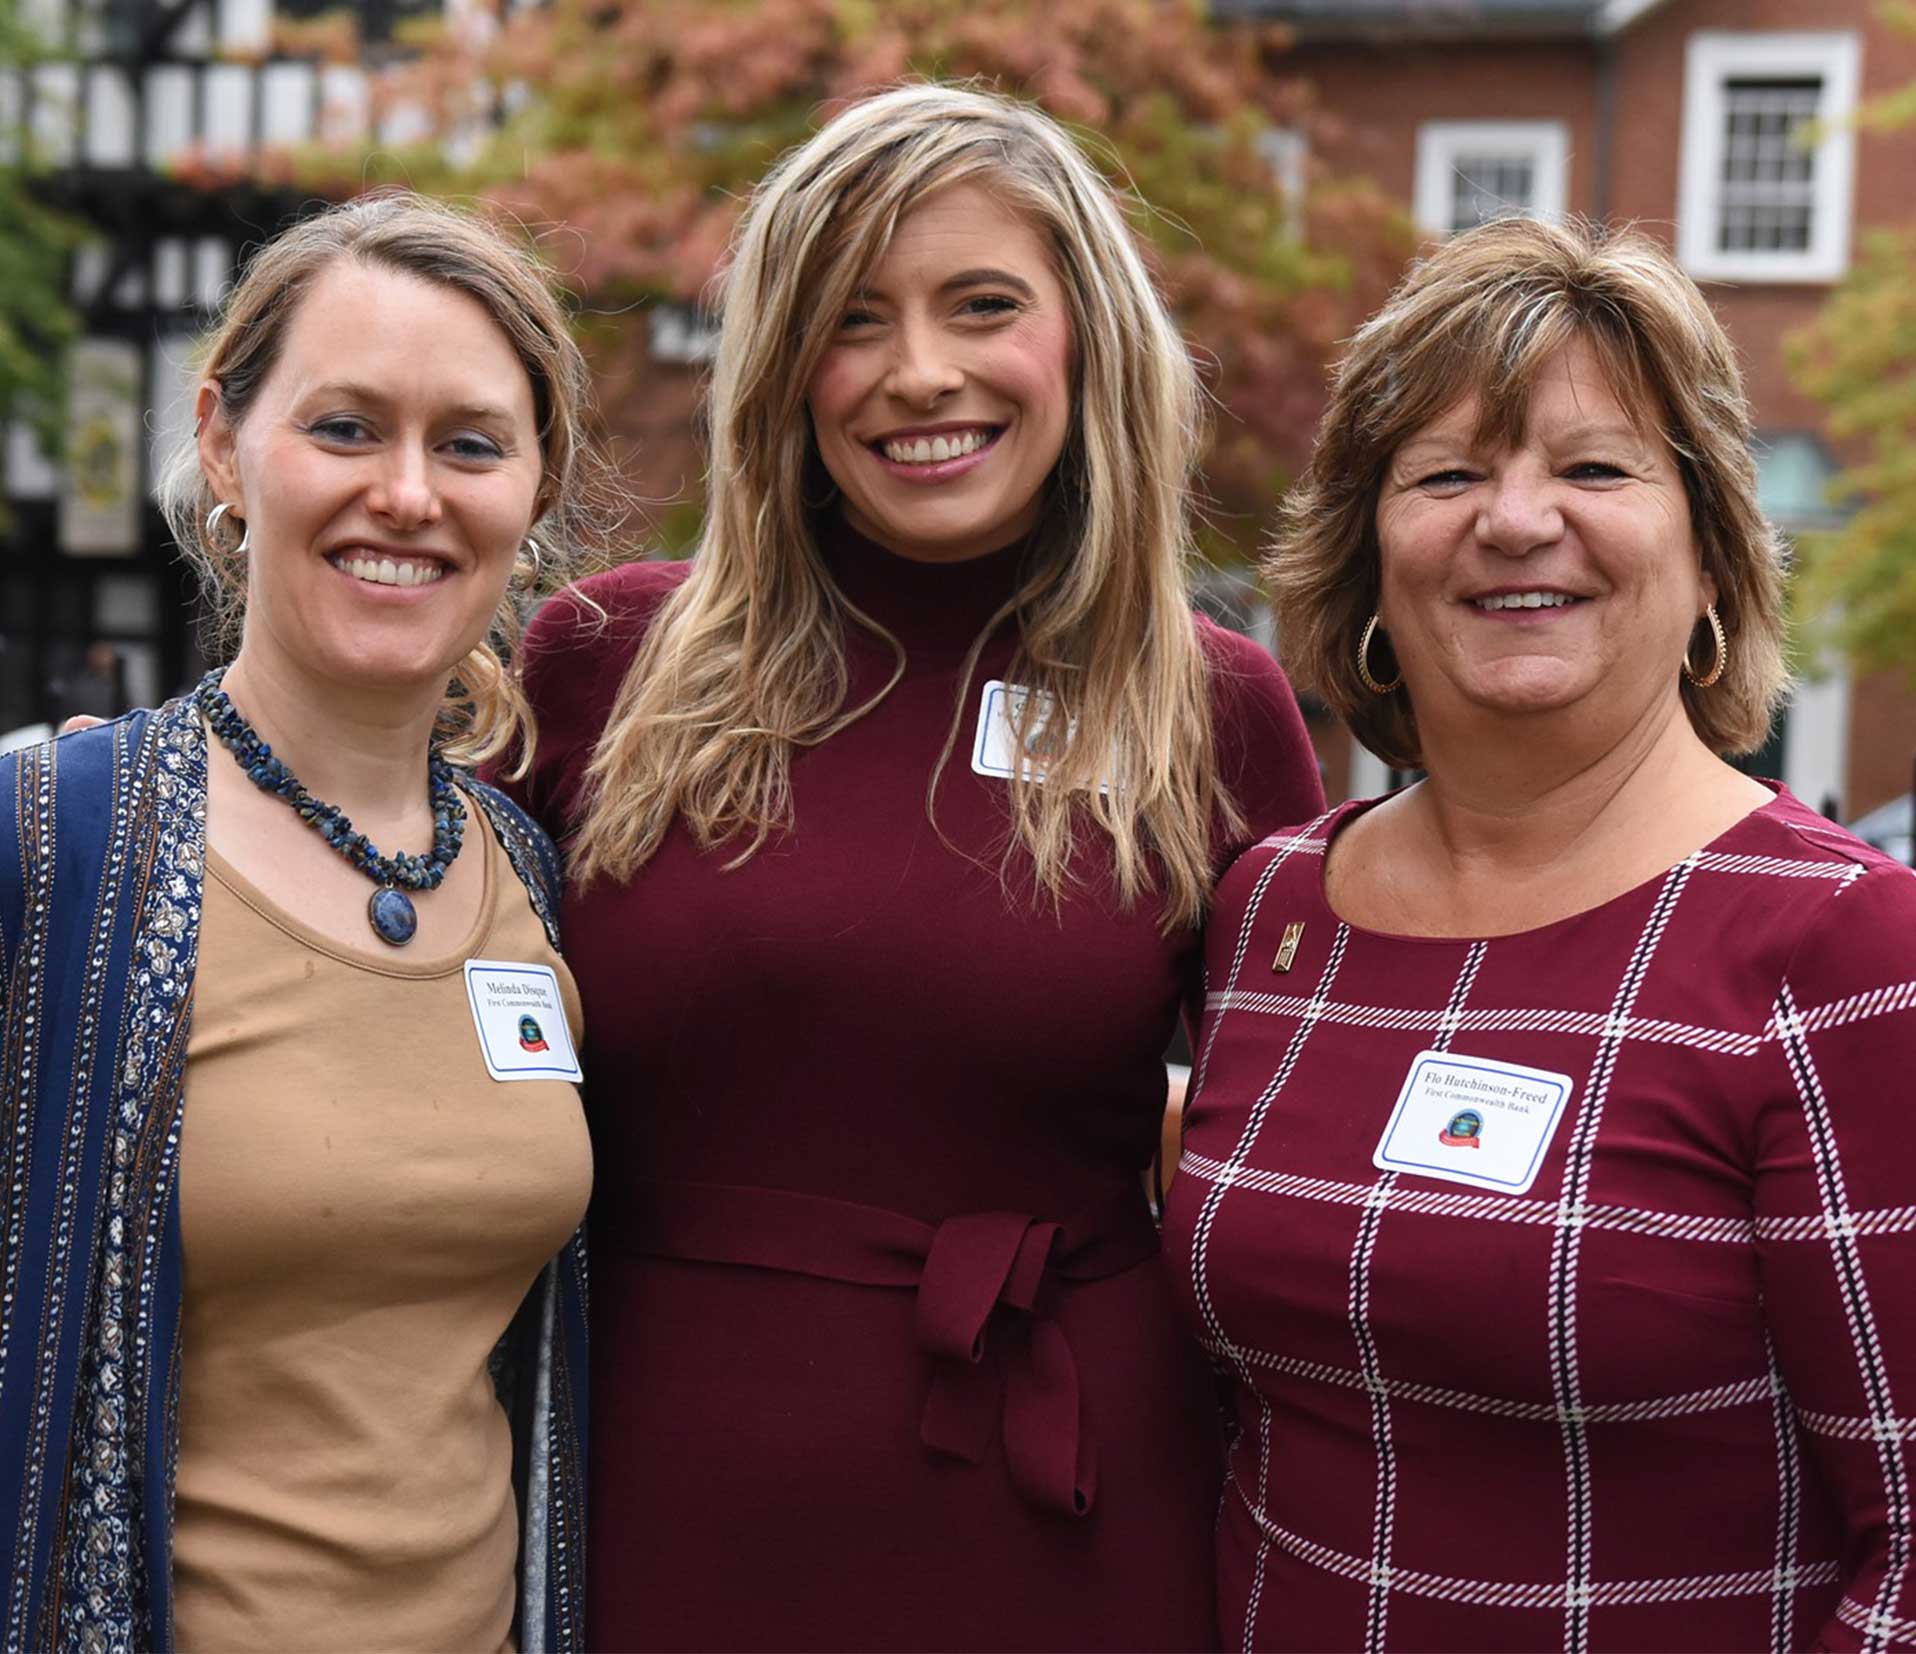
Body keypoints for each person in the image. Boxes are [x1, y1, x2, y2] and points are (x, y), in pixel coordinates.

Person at [510, 83, 1324, 1650]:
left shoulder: (1209, 705)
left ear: (1085, 338)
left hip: (1070, 1508)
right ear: (782, 366)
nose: (921, 371)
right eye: (854, 318)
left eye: (983, 305)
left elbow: (1290, 1170)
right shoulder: (605, 659)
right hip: (664, 1489)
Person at [1164, 215, 1916, 1652]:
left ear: (1710, 558)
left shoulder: (1846, 949)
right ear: (1368, 559)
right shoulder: (1271, 908)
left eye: (1595, 469)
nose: (1515, 521)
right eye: (1446, 474)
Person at [0, 191, 611, 1652]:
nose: (406, 494)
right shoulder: (53, 847)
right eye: (345, 428)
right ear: (224, 442)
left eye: (470, 444)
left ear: (534, 491)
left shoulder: (533, 878)